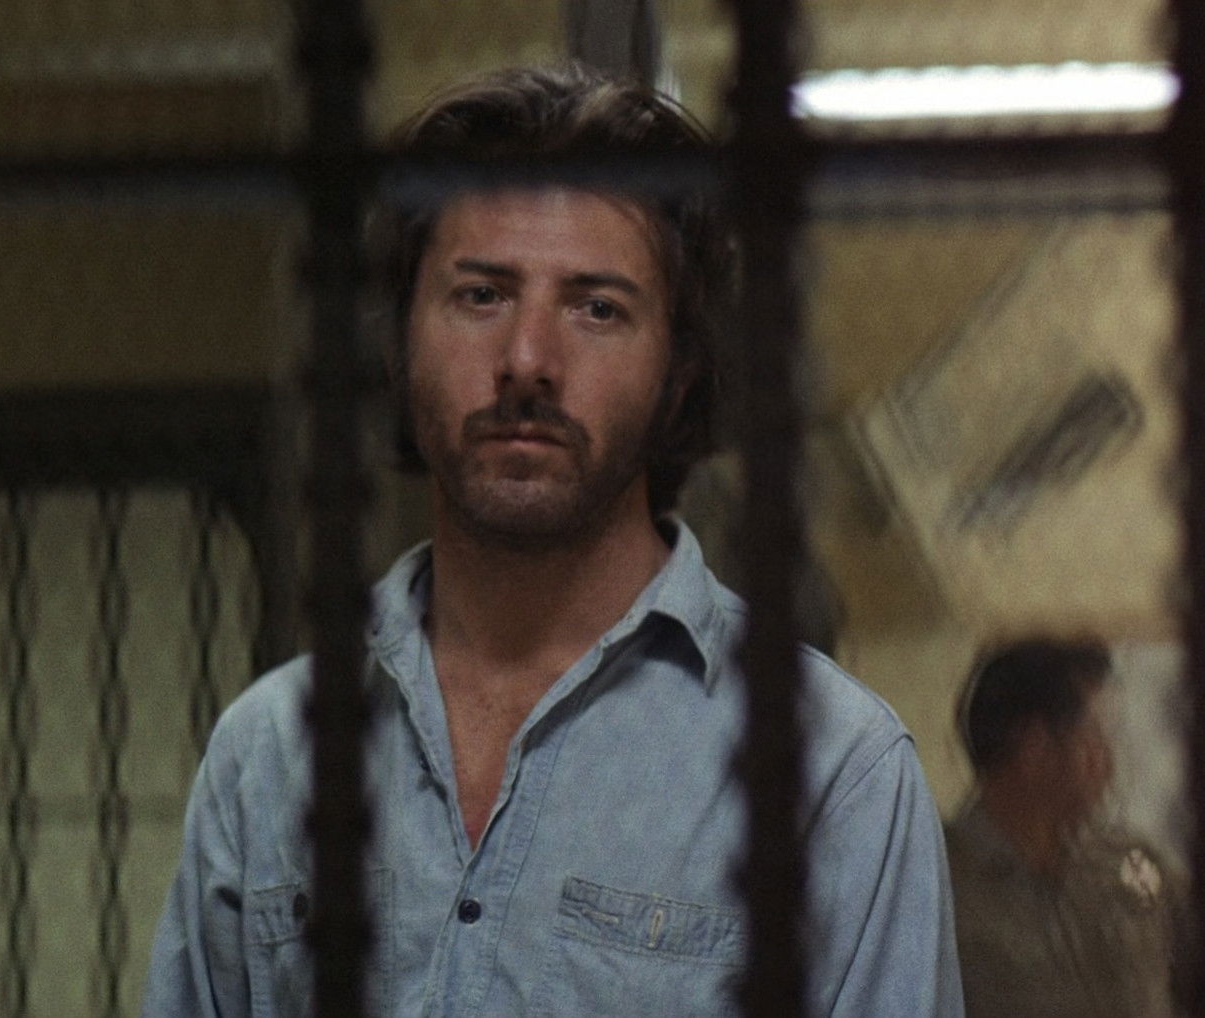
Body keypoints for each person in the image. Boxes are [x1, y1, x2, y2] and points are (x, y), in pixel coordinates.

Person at [141, 63, 962, 1018]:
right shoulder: (271, 752)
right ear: (401, 341)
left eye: (596, 307)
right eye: (481, 295)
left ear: (680, 371)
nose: (528, 359)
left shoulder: (831, 771)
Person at [947, 638, 1192, 1018]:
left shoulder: (1132, 861)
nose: (1108, 759)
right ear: (1034, 748)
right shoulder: (936, 885)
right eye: (1095, 735)